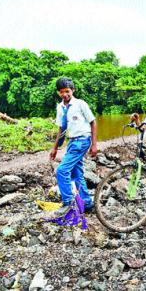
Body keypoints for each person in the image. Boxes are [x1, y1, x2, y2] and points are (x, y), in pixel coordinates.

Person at [49, 77, 97, 216]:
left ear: (73, 90)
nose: (65, 94)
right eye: (62, 92)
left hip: (82, 140)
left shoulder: (80, 104)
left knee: (62, 171)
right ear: (58, 92)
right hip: (72, 142)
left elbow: (93, 122)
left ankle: (68, 202)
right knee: (77, 173)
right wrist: (55, 148)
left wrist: (94, 144)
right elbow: (62, 129)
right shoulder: (60, 107)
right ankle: (87, 203)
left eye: (68, 91)